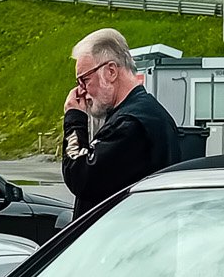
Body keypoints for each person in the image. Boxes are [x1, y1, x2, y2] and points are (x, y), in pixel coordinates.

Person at [61, 28, 182, 221]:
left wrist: (74, 120)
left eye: (84, 80)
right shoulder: (144, 113)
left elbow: (80, 176)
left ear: (110, 71)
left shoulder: (130, 125)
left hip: (127, 244)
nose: (81, 91)